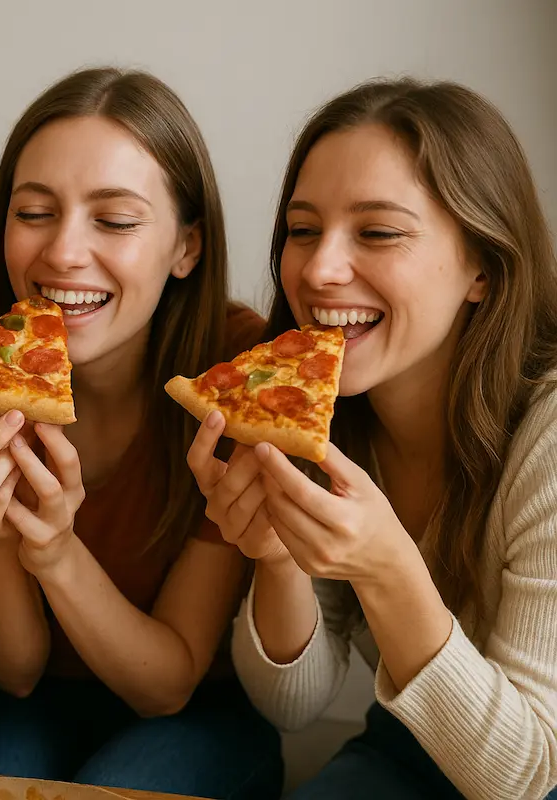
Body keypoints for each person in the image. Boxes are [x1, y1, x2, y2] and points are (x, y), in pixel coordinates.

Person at [190, 78, 557, 800]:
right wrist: (276, 556)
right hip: (411, 744)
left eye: (378, 232)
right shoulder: (323, 412)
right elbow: (291, 703)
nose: (320, 271)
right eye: (302, 230)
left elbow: (524, 777)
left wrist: (389, 568)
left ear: (482, 265)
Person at [0, 67, 283, 799]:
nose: (62, 253)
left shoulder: (243, 376)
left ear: (186, 247)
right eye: (35, 213)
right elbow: (14, 669)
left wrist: (55, 551)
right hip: (27, 700)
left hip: (198, 709)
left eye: (115, 220)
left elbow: (169, 684)